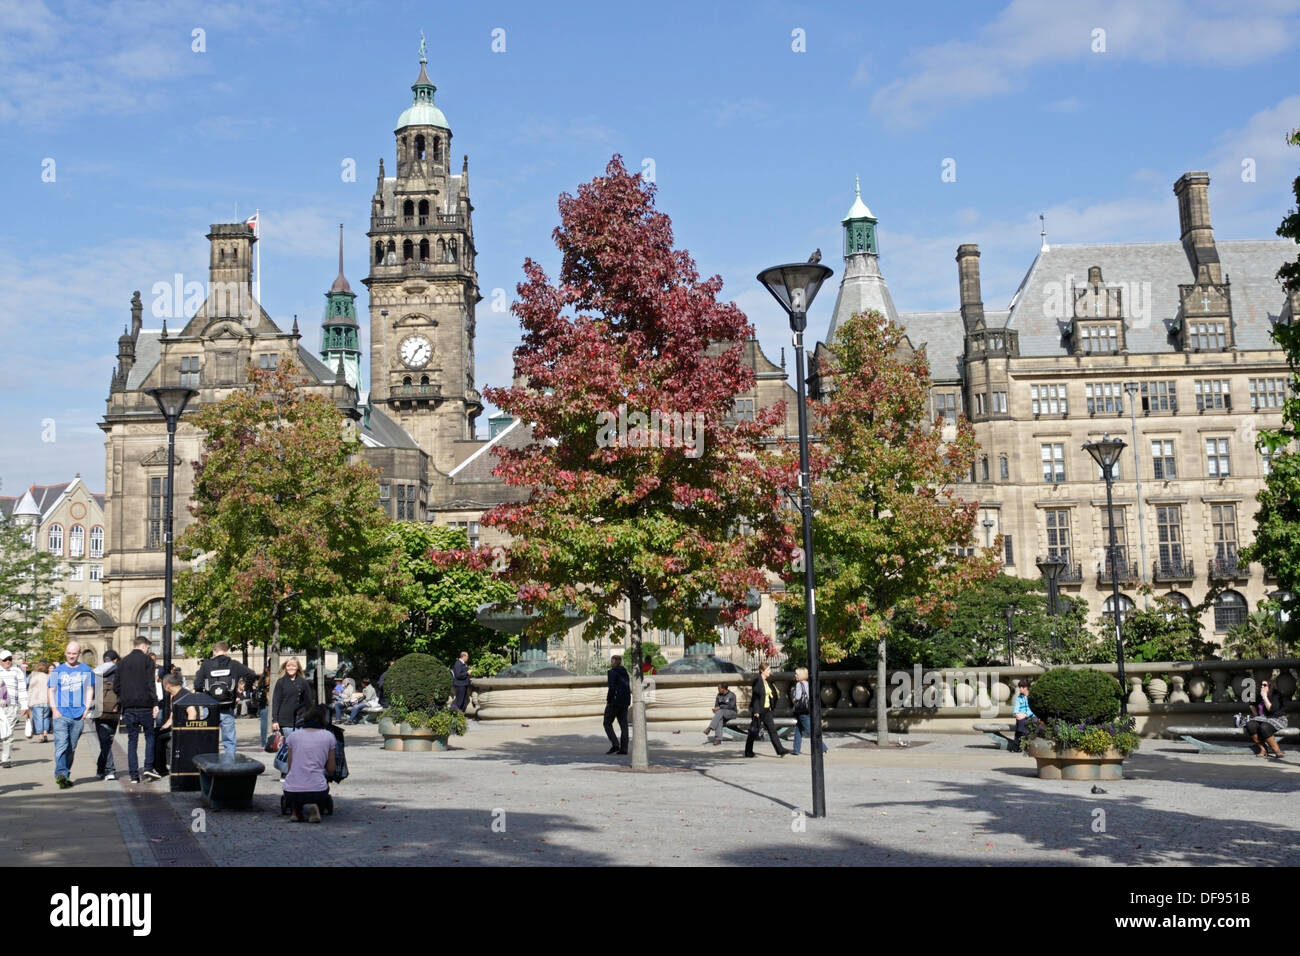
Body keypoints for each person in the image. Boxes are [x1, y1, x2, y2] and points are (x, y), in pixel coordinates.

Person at [48, 641, 95, 788]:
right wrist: (54, 709)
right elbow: (51, 690)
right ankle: (61, 774)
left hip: (78, 715)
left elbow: (89, 689)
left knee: (71, 747)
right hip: (61, 714)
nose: (71, 656)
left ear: (79, 654)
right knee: (61, 745)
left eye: (74, 653)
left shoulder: (86, 670)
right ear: (65, 653)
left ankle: (66, 774)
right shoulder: (58, 671)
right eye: (69, 653)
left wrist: (86, 708)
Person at [115, 636, 160, 784]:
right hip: (145, 706)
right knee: (149, 736)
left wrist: (124, 698)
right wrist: (155, 703)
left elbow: (116, 686)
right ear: (144, 645)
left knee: (132, 740)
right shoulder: (148, 661)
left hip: (128, 707)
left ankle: (134, 775)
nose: (148, 650)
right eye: (148, 648)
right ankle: (148, 767)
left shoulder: (122, 662)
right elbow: (150, 684)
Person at [282, 704, 336, 823]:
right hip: (317, 791)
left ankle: (296, 811)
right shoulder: (329, 736)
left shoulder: (293, 736)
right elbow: (331, 768)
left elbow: (290, 766)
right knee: (318, 787)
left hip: (291, 791)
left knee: (295, 787)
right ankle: (316, 807)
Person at [744, 662, 788, 758]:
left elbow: (769, 694)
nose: (770, 671)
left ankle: (780, 750)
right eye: (768, 670)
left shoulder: (767, 681)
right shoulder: (757, 681)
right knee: (753, 731)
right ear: (762, 671)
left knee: (772, 730)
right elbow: (755, 697)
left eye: (769, 669)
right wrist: (756, 711)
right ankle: (748, 751)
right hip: (759, 710)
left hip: (767, 710)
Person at [92, 650, 121, 780]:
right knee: (107, 741)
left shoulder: (96, 672)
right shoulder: (120, 673)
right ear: (116, 660)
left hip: (99, 711)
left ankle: (104, 769)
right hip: (114, 710)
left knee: (105, 742)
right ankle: (107, 770)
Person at [0, 649, 31, 769]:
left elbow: (22, 689)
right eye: (5, 660)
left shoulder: (17, 671)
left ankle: (6, 759)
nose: (8, 661)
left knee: (8, 733)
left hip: (12, 707)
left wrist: (24, 706)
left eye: (9, 659)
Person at [272, 658, 314, 743]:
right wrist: (275, 720)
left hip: (301, 718)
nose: (291, 668)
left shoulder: (303, 682)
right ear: (285, 667)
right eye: (288, 666)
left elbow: (308, 701)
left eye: (294, 666)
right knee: (290, 744)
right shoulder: (281, 682)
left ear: (298, 667)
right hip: (285, 719)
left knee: (300, 744)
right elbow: (276, 702)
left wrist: (311, 717)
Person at [1245, 678, 1287, 759]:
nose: (1262, 687)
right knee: (1250, 725)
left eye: (1265, 685)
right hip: (1264, 718)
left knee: (1264, 727)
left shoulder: (1276, 695)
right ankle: (1263, 749)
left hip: (1277, 718)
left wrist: (1264, 697)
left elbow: (1271, 709)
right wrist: (1257, 716)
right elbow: (1252, 705)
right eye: (1261, 685)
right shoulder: (1259, 695)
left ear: (1270, 686)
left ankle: (1277, 751)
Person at [791, 667, 826, 756]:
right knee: (798, 729)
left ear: (801, 675)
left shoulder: (799, 684)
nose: (795, 675)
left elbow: (798, 697)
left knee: (809, 730)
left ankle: (822, 747)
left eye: (797, 674)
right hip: (807, 709)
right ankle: (796, 749)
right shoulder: (808, 684)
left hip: (801, 710)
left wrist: (794, 699)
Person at [603, 654, 630, 755]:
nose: (611, 662)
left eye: (612, 660)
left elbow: (612, 688)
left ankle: (615, 745)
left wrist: (609, 700)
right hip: (625, 702)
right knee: (624, 725)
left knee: (607, 723)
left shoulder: (612, 672)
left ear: (615, 662)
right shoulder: (625, 672)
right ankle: (624, 749)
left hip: (614, 702)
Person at [26, 661, 50, 744]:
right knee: (46, 718)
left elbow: (30, 690)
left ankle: (40, 736)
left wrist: (28, 702)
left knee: (38, 719)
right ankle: (45, 734)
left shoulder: (34, 677)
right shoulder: (48, 677)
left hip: (36, 701)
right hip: (47, 700)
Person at [1012, 679, 1035, 752]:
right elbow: (1016, 708)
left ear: (1026, 688)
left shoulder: (1031, 697)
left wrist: (1025, 715)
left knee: (1020, 724)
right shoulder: (1019, 697)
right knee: (1020, 721)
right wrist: (1016, 714)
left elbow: (1031, 709)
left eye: (1021, 687)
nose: (1019, 689)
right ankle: (1022, 745)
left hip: (1030, 716)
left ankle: (1017, 746)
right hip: (1021, 717)